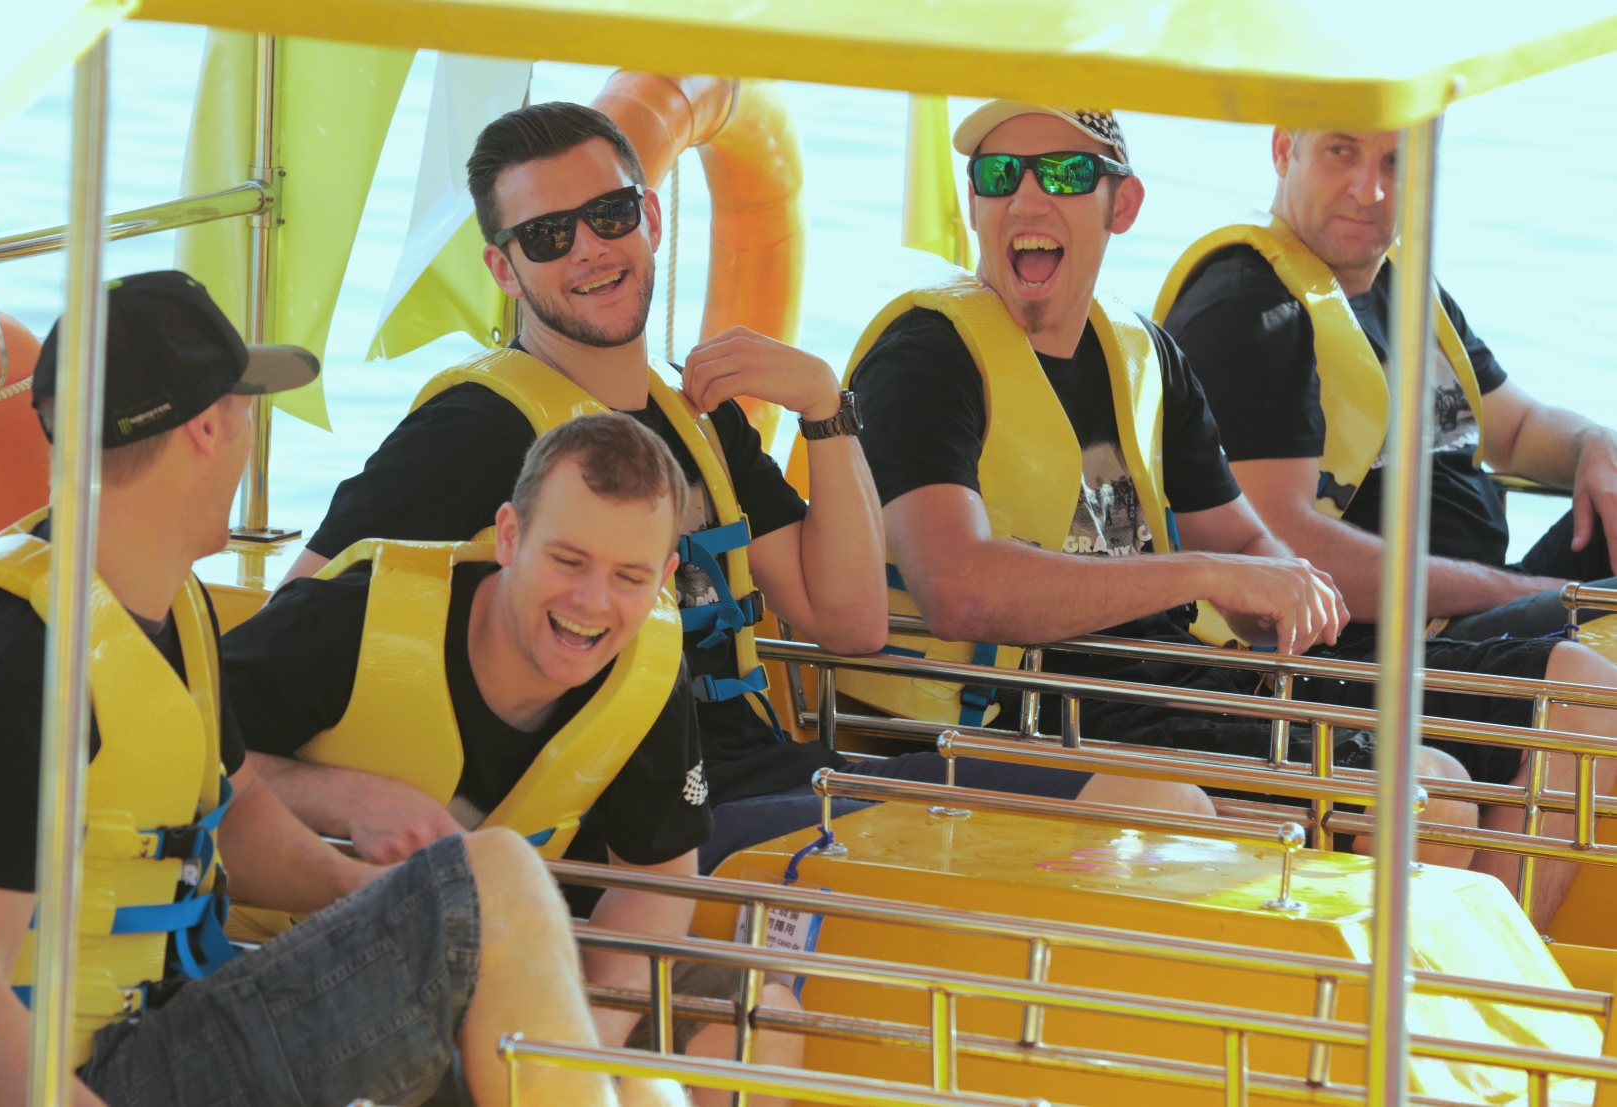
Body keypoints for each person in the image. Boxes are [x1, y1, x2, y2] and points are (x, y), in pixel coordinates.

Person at [274, 101, 1208, 876]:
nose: (590, 249)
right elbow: (291, 629)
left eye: (610, 215)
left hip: (781, 778)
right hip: (641, 832)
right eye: (549, 236)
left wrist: (825, 408)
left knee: (1162, 802)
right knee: (1089, 862)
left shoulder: (696, 418)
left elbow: (849, 620)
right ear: (502, 269)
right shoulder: (474, 428)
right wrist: (347, 797)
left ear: (653, 218)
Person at [844, 102, 1617, 927]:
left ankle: (1479, 996)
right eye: (999, 175)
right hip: (1024, 704)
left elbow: (1245, 538)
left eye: (1065, 174)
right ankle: (1418, 1000)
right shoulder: (926, 357)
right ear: (973, 201)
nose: (1027, 198)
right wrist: (1211, 573)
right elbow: (959, 589)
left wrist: (1282, 590)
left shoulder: (1144, 354)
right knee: (1431, 799)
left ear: (1122, 204)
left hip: (1173, 674)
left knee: (1583, 697)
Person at [0, 273, 673, 1107]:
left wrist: (366, 896)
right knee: (497, 877)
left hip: (164, 1018)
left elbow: (235, 809)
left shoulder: (168, 605)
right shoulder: (9, 660)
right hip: (81, 1073)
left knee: (591, 1037)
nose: (250, 431)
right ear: (209, 427)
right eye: (248, 407)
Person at [223, 413, 802, 1098]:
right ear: (509, 536)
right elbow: (186, 761)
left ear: (666, 577)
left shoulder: (645, 670)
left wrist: (583, 1051)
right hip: (294, 954)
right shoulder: (344, 621)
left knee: (757, 1015)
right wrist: (346, 798)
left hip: (506, 958)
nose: (592, 602)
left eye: (629, 575)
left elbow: (656, 882)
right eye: (568, 560)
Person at [1158, 126, 1617, 641]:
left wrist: (1594, 443)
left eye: (1396, 162)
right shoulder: (1249, 311)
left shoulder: (1403, 285)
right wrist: (1520, 593)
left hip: (1478, 607)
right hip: (1374, 647)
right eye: (1341, 151)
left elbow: (1517, 430)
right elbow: (1276, 542)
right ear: (1284, 150)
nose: (1369, 190)